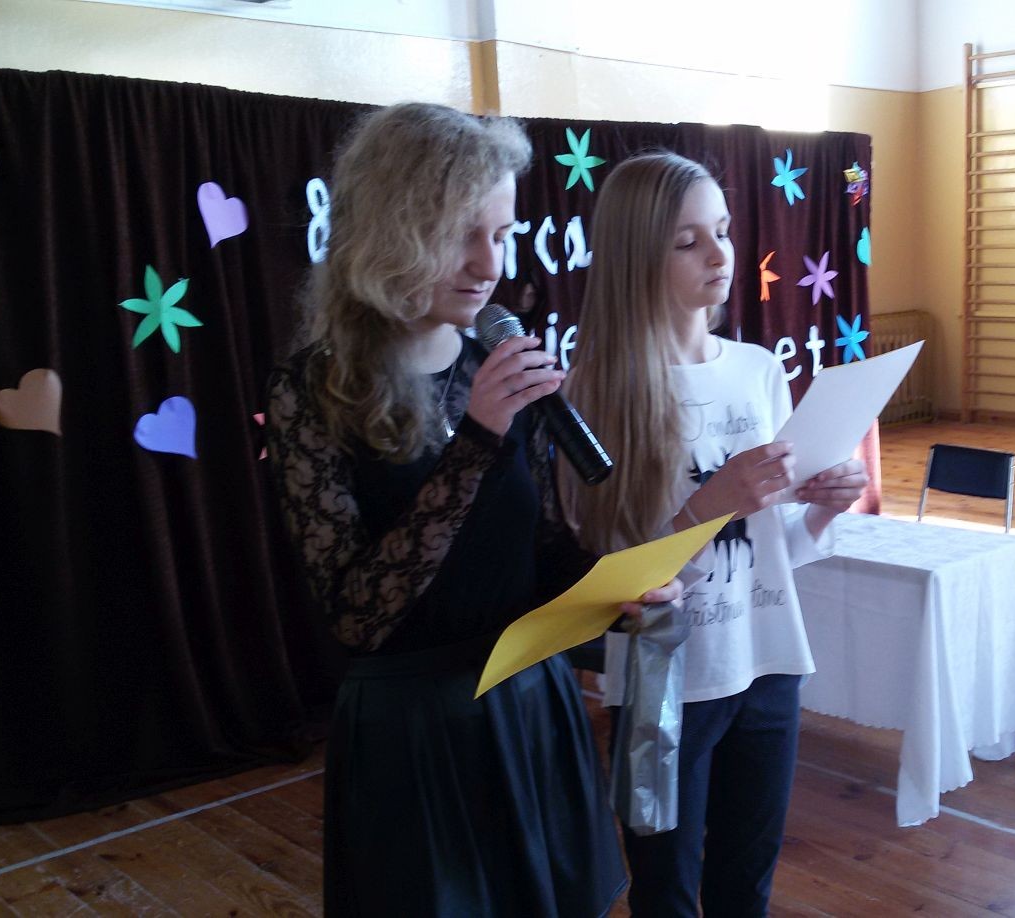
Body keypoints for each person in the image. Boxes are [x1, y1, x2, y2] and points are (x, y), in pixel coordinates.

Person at [265, 103, 674, 917]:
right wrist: (478, 439)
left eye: (503, 233)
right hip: (415, 732)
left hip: (529, 706)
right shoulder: (313, 390)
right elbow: (356, 617)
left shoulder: (497, 365)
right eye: (462, 235)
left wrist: (616, 591)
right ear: (392, 231)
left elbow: (539, 551)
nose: (490, 264)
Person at [562, 152, 869, 917]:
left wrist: (824, 507)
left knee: (746, 880)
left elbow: (775, 546)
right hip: (664, 681)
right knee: (665, 887)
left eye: (723, 232)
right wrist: (712, 504)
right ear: (637, 256)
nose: (719, 253)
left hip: (768, 662)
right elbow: (608, 579)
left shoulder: (759, 370)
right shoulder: (596, 393)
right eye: (687, 240)